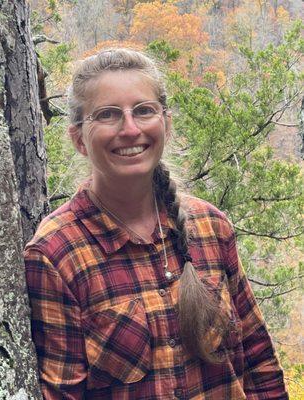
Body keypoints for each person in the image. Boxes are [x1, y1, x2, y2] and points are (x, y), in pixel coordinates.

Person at [24, 48, 288, 400]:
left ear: (166, 122)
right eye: (108, 115)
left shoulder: (210, 227)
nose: (130, 129)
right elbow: (63, 394)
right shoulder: (57, 255)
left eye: (144, 111)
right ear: (78, 139)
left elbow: (258, 361)